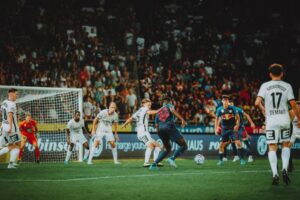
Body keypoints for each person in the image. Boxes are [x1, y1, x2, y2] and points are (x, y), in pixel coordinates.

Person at [255, 63, 300, 185]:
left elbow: (256, 102)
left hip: (271, 120)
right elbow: (293, 104)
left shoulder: (265, 85)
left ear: (270, 74)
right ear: (282, 73)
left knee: (272, 147)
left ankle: (275, 173)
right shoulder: (287, 86)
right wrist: (299, 119)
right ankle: (284, 169)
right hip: (284, 119)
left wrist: (264, 110)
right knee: (285, 145)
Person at [149, 96, 187, 170]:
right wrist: (182, 119)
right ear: (168, 101)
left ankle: (153, 165)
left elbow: (156, 125)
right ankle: (172, 158)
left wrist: (160, 135)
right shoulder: (169, 105)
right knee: (184, 145)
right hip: (169, 127)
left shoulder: (158, 111)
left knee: (168, 149)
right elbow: (173, 111)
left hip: (160, 130)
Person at [122, 98, 161, 167]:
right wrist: (159, 110)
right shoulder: (145, 109)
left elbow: (131, 118)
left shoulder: (139, 110)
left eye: (150, 103)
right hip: (142, 133)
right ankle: (146, 162)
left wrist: (125, 124)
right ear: (143, 104)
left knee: (157, 145)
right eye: (148, 103)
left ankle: (156, 161)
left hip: (144, 133)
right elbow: (149, 112)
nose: (149, 105)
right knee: (150, 145)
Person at [215, 95, 245, 165]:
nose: (225, 102)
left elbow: (238, 118)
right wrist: (216, 128)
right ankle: (221, 160)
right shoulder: (219, 109)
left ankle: (242, 159)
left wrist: (237, 125)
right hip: (224, 129)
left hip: (232, 129)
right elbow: (216, 119)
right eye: (224, 100)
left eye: (227, 100)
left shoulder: (233, 108)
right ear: (222, 101)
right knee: (221, 145)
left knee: (238, 143)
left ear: (228, 102)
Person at [0, 88, 21, 169]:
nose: (17, 96)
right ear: (11, 94)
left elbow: (1, 114)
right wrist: (10, 127)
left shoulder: (4, 103)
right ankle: (11, 163)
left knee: (11, 145)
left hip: (4, 127)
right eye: (16, 94)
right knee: (17, 145)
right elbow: (10, 115)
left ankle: (11, 163)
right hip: (12, 129)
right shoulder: (12, 104)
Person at [288, 101, 300, 172]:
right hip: (294, 133)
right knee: (287, 148)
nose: (298, 107)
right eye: (297, 106)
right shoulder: (292, 113)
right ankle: (290, 165)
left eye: (299, 105)